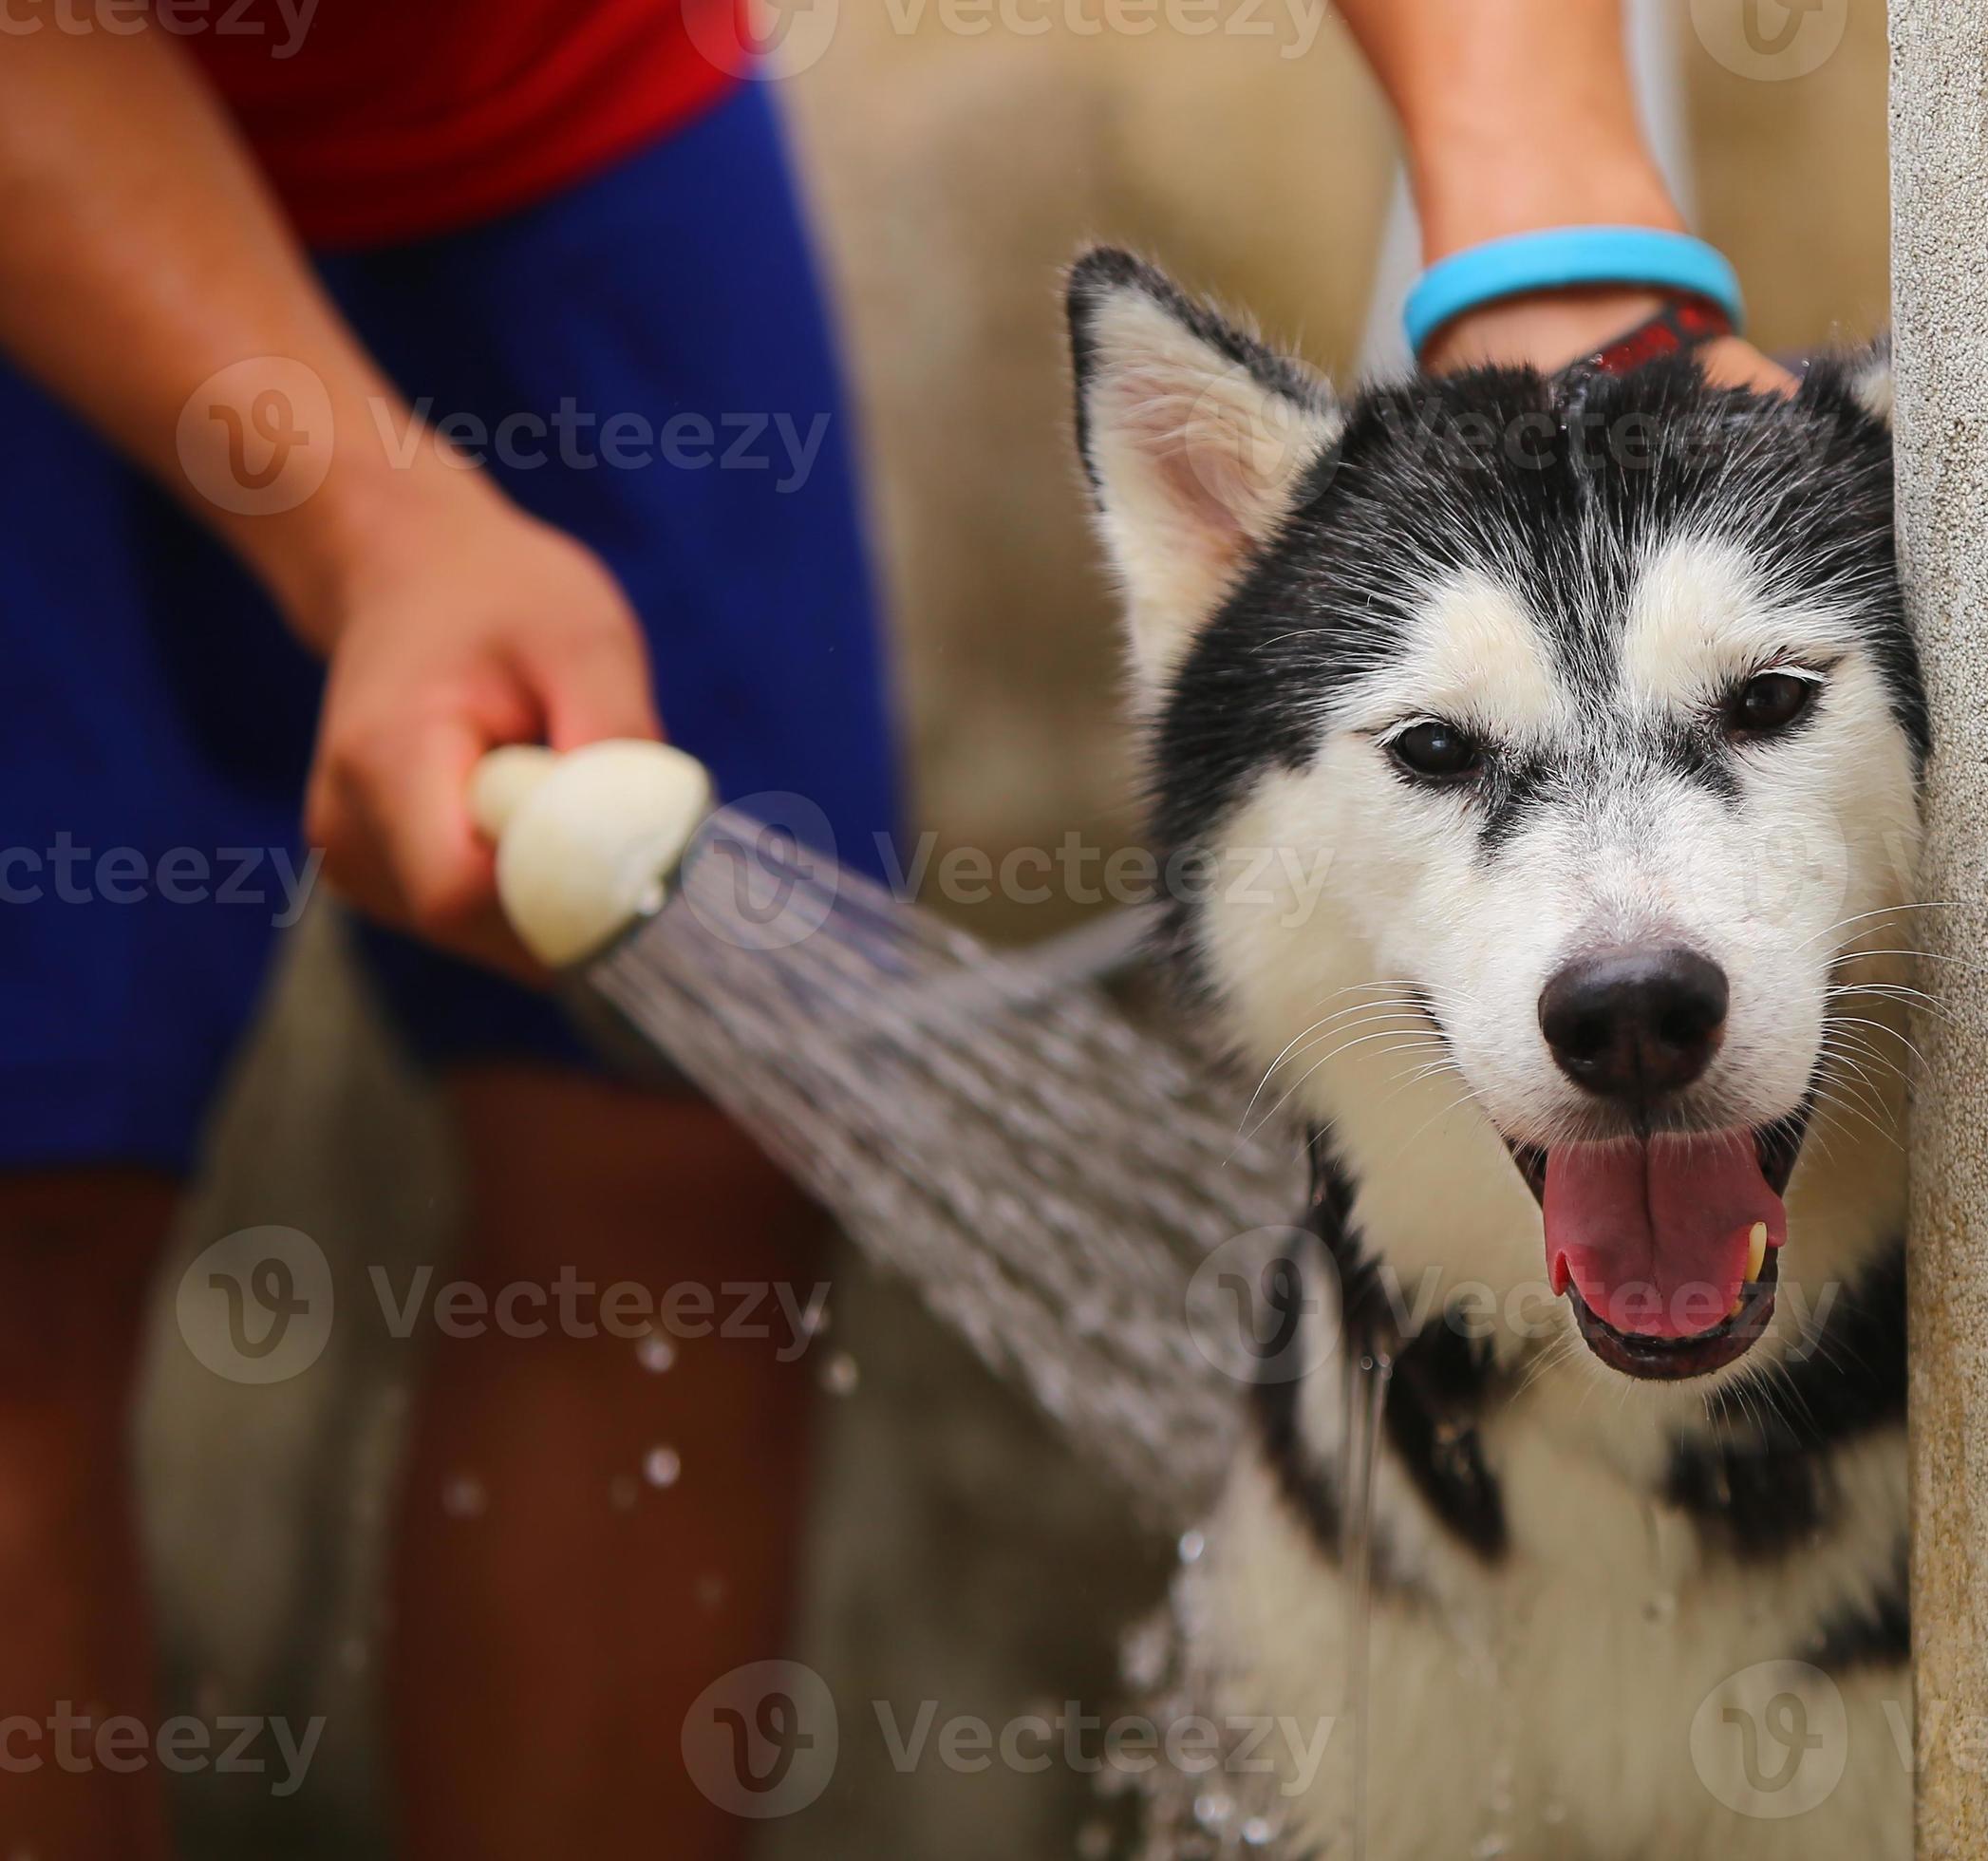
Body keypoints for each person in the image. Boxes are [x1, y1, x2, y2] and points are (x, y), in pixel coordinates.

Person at [0, 1, 1794, 1853]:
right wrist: (373, 530)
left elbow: (1551, 218)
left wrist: (1552, 224)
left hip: (554, 84)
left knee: (689, 1134)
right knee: (27, 1203)